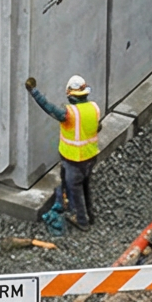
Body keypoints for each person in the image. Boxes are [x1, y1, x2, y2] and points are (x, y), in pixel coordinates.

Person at [24, 73, 100, 228]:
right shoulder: (94, 108)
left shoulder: (70, 114)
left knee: (75, 189)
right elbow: (97, 127)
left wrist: (34, 91)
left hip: (74, 159)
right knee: (85, 186)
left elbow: (49, 108)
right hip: (90, 157)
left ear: (71, 95)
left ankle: (81, 220)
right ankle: (90, 215)